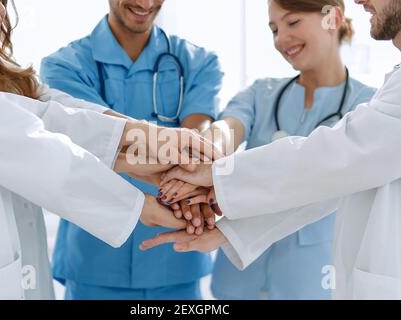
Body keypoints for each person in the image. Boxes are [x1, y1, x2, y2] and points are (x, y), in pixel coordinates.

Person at [141, 0, 401, 300]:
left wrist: (212, 174)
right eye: (274, 29)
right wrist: (199, 159)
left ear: (333, 18)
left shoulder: (370, 101)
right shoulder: (262, 92)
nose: (280, 39)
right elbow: (228, 130)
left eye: (292, 23)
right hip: (240, 280)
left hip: (309, 280)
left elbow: (336, 162)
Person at [0, 0, 214, 300]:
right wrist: (140, 205)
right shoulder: (65, 62)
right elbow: (36, 148)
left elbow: (57, 114)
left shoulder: (11, 80)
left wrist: (150, 145)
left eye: (2, 0)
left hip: (24, 262)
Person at [40, 0, 223, 300]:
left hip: (176, 259)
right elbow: (85, 134)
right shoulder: (64, 66)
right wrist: (188, 174)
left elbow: (196, 138)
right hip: (95, 258)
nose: (145, 2)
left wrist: (190, 166)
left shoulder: (198, 62)